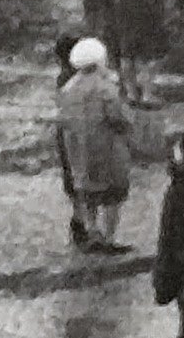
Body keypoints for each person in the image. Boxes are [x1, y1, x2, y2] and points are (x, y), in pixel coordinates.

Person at [53, 39, 137, 251]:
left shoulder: (67, 88)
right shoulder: (106, 88)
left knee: (88, 195)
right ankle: (108, 239)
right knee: (113, 196)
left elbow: (63, 120)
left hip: (78, 150)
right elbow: (120, 118)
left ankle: (92, 232)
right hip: (107, 149)